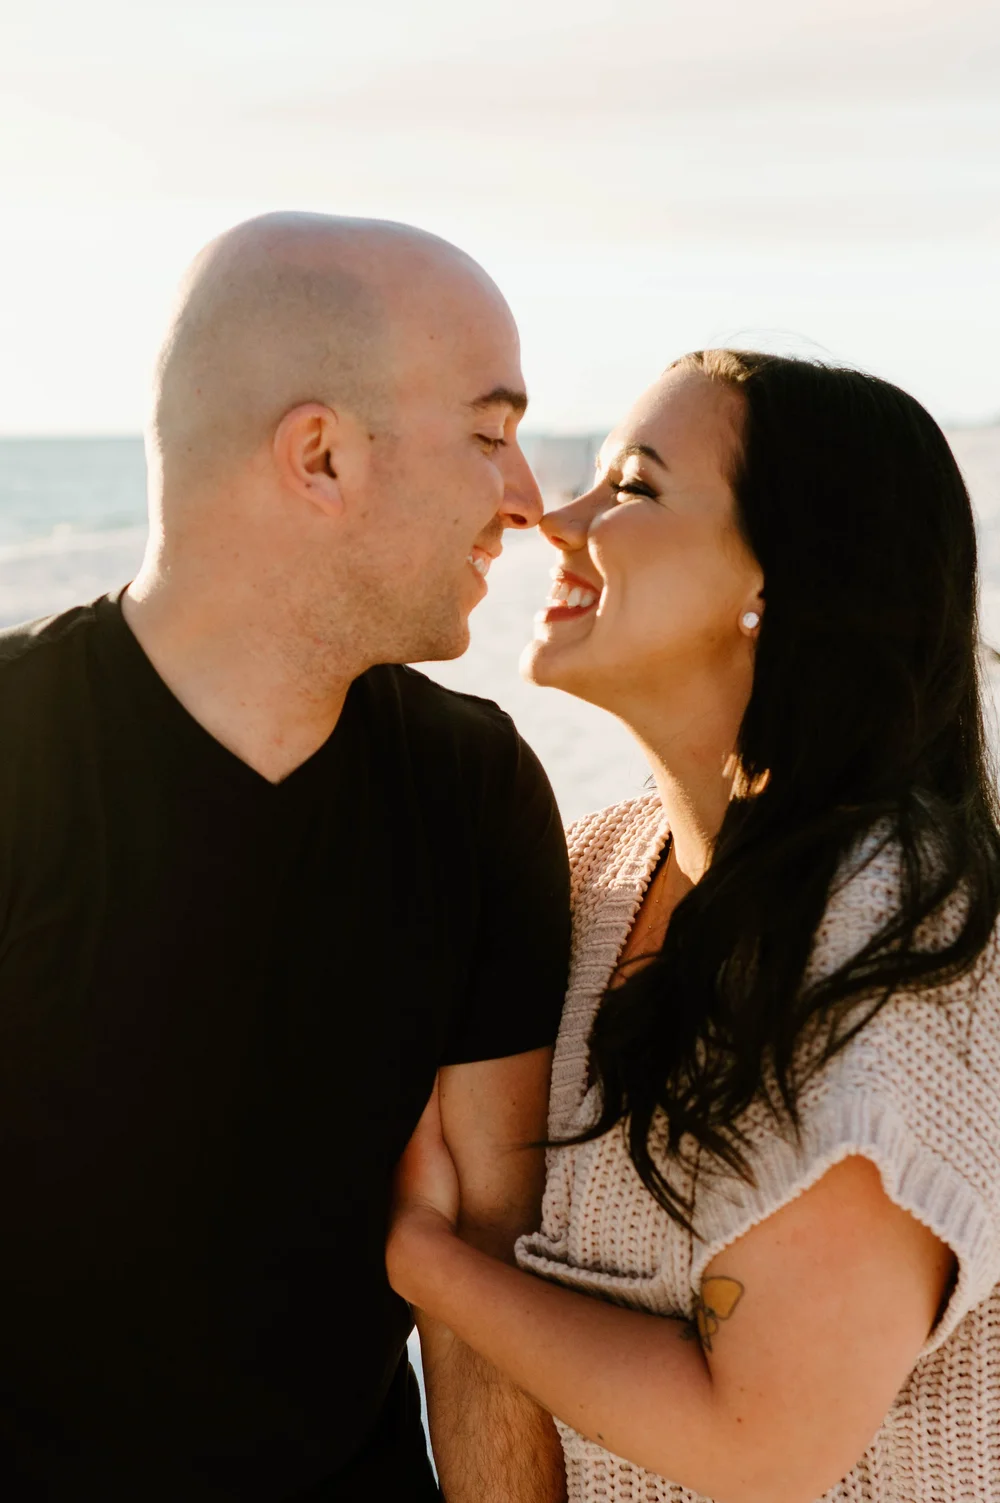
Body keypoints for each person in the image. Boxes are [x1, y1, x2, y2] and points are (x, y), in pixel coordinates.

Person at [0, 213, 571, 1501]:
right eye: (489, 436)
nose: (527, 499)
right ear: (319, 456)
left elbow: (486, 1269)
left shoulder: (471, 790)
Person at [387, 350, 1000, 1502]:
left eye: (632, 487)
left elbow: (761, 1445)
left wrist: (432, 1263)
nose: (550, 517)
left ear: (779, 583)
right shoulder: (602, 870)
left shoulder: (899, 942)